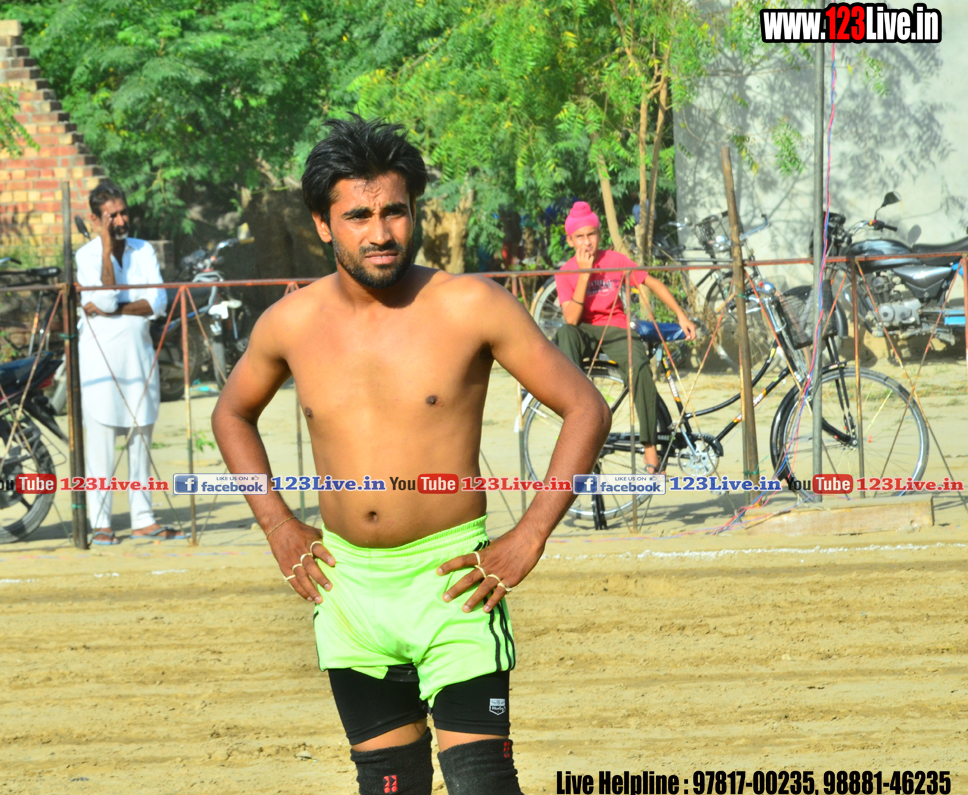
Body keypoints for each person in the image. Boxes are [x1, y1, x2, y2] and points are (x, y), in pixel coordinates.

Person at [210, 116, 611, 795]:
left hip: (453, 583)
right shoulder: (291, 323)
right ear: (323, 224)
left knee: (484, 783)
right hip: (347, 591)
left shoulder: (469, 305)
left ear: (415, 210)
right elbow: (231, 414)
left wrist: (529, 535)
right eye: (358, 215)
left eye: (394, 211)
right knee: (389, 785)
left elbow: (586, 408)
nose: (381, 232)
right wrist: (277, 524)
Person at [554, 201, 697, 473]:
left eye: (591, 234)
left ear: (599, 235)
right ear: (570, 241)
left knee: (640, 367)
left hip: (616, 329)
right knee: (564, 334)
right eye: (580, 236)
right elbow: (571, 319)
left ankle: (650, 446)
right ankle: (579, 417)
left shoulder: (615, 260)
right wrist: (583, 275)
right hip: (583, 331)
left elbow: (651, 282)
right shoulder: (565, 272)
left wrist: (681, 315)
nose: (587, 241)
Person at [75, 179, 180, 546]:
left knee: (141, 436)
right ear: (95, 219)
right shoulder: (87, 256)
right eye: (112, 216)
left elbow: (157, 303)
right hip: (100, 360)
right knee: (101, 441)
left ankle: (143, 519)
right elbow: (103, 302)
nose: (120, 221)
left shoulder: (143, 249)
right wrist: (106, 249)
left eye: (123, 213)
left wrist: (114, 309)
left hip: (139, 357)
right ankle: (101, 522)